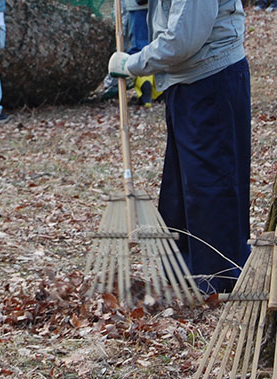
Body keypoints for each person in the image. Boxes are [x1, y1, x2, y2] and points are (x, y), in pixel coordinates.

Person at [108, 0, 251, 293]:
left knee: (210, 185)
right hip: (189, 81)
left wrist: (132, 64)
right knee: (184, 185)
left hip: (210, 79)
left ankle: (217, 277)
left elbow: (182, 40)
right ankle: (186, 272)